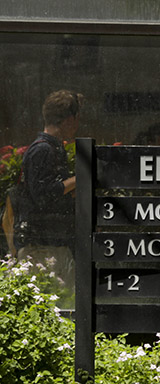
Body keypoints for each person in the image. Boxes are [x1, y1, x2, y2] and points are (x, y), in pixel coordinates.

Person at [14, 89, 83, 296]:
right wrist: (79, 180)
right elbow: (42, 195)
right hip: (42, 249)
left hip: (52, 245)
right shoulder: (42, 150)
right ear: (69, 119)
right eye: (77, 118)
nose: (78, 124)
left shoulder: (52, 148)